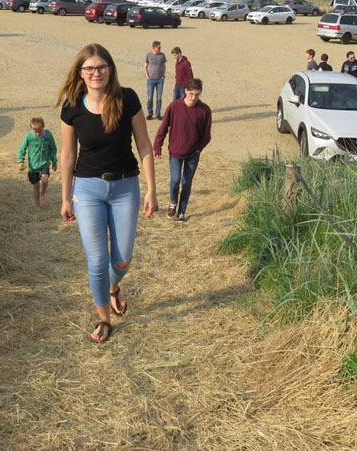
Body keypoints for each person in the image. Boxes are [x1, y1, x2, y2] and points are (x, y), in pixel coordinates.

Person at [58, 43, 157, 344]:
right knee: (97, 261)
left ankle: (112, 287)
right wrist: (65, 197)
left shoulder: (127, 99)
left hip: (125, 187)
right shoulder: (72, 107)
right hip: (87, 190)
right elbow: (67, 155)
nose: (96, 73)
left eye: (101, 67)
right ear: (80, 73)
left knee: (123, 258)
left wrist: (152, 189)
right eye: (89, 68)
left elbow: (144, 146)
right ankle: (103, 318)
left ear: (110, 69)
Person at [153, 78, 212, 222]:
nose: (193, 97)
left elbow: (206, 134)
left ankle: (181, 212)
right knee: (175, 180)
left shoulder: (204, 110)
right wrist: (158, 146)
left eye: (197, 94)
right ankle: (173, 202)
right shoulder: (174, 107)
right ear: (185, 91)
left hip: (193, 154)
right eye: (191, 94)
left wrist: (198, 149)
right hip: (175, 152)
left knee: (186, 183)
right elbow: (163, 127)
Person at [17, 117, 58, 209]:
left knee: (45, 179)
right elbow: (22, 149)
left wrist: (54, 161)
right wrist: (21, 161)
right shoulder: (29, 136)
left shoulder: (48, 135)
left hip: (44, 163)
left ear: (43, 127)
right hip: (33, 166)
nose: (38, 134)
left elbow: (53, 149)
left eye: (39, 131)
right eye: (35, 132)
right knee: (36, 186)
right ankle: (38, 204)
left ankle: (43, 193)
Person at [144, 41, 166, 119]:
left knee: (159, 98)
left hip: (160, 79)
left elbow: (164, 66)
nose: (160, 49)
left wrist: (163, 76)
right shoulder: (148, 55)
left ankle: (158, 114)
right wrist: (147, 76)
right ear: (154, 47)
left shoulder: (162, 55)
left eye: (160, 47)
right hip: (151, 79)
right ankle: (150, 113)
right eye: (158, 47)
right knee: (150, 97)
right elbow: (145, 66)